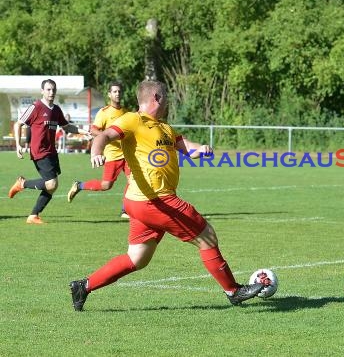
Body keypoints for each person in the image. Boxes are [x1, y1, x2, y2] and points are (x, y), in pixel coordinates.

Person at [69, 80, 264, 311]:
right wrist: (96, 152)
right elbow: (103, 136)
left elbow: (186, 146)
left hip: (140, 202)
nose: (169, 101)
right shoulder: (132, 119)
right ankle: (233, 290)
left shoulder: (165, 128)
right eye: (167, 97)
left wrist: (199, 149)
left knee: (137, 258)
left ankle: (84, 286)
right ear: (157, 98)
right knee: (207, 236)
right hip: (155, 200)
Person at [8, 79, 91, 224]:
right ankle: (22, 184)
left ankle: (33, 215)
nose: (51, 92)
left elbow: (67, 126)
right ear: (42, 91)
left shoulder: (56, 110)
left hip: (51, 152)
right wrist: (18, 145)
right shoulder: (36, 107)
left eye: (53, 89)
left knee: (52, 186)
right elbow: (18, 124)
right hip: (39, 152)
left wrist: (85, 132)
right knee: (51, 184)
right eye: (48, 89)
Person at [67, 82, 131, 218]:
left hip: (128, 155)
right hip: (112, 155)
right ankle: (79, 185)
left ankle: (125, 210)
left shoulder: (126, 112)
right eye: (114, 91)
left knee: (133, 182)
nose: (117, 94)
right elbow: (94, 129)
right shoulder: (104, 112)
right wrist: (108, 137)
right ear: (109, 94)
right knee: (106, 185)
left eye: (119, 91)